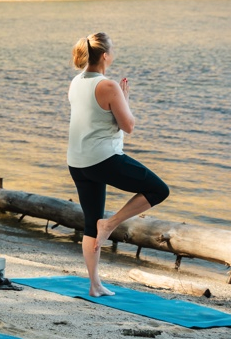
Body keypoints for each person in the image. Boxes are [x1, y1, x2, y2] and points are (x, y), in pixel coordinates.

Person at [67, 32, 169, 297]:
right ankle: (111, 224)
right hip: (102, 159)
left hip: (77, 161)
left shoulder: (76, 82)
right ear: (105, 56)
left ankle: (95, 285)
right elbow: (129, 126)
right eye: (113, 51)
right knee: (158, 190)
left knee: (91, 223)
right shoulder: (109, 86)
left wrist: (119, 101)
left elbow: (94, 117)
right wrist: (125, 100)